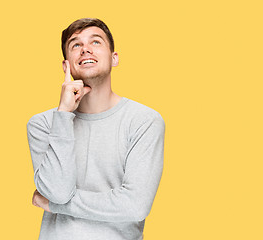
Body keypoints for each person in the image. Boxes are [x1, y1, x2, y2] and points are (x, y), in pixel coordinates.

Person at [27, 18, 165, 240]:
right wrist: (63, 115)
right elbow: (58, 192)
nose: (86, 50)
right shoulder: (42, 124)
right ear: (66, 65)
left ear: (114, 58)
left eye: (96, 42)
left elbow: (135, 206)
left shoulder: (144, 121)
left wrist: (56, 206)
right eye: (76, 45)